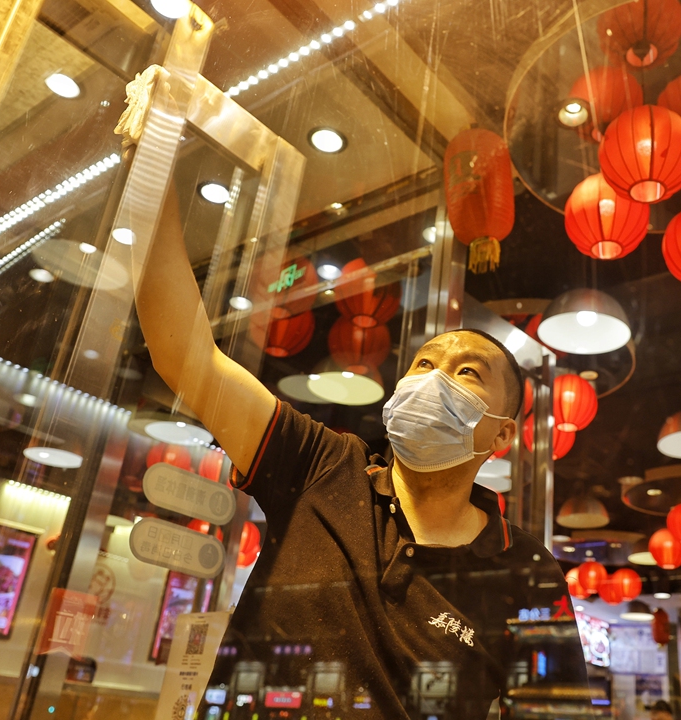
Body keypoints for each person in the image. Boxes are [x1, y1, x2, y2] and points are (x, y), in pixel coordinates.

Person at [136, 187, 591, 719]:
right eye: (423, 365)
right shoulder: (322, 466)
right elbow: (186, 357)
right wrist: (157, 169)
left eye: (466, 372)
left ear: (501, 437)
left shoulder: (525, 570)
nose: (434, 381)